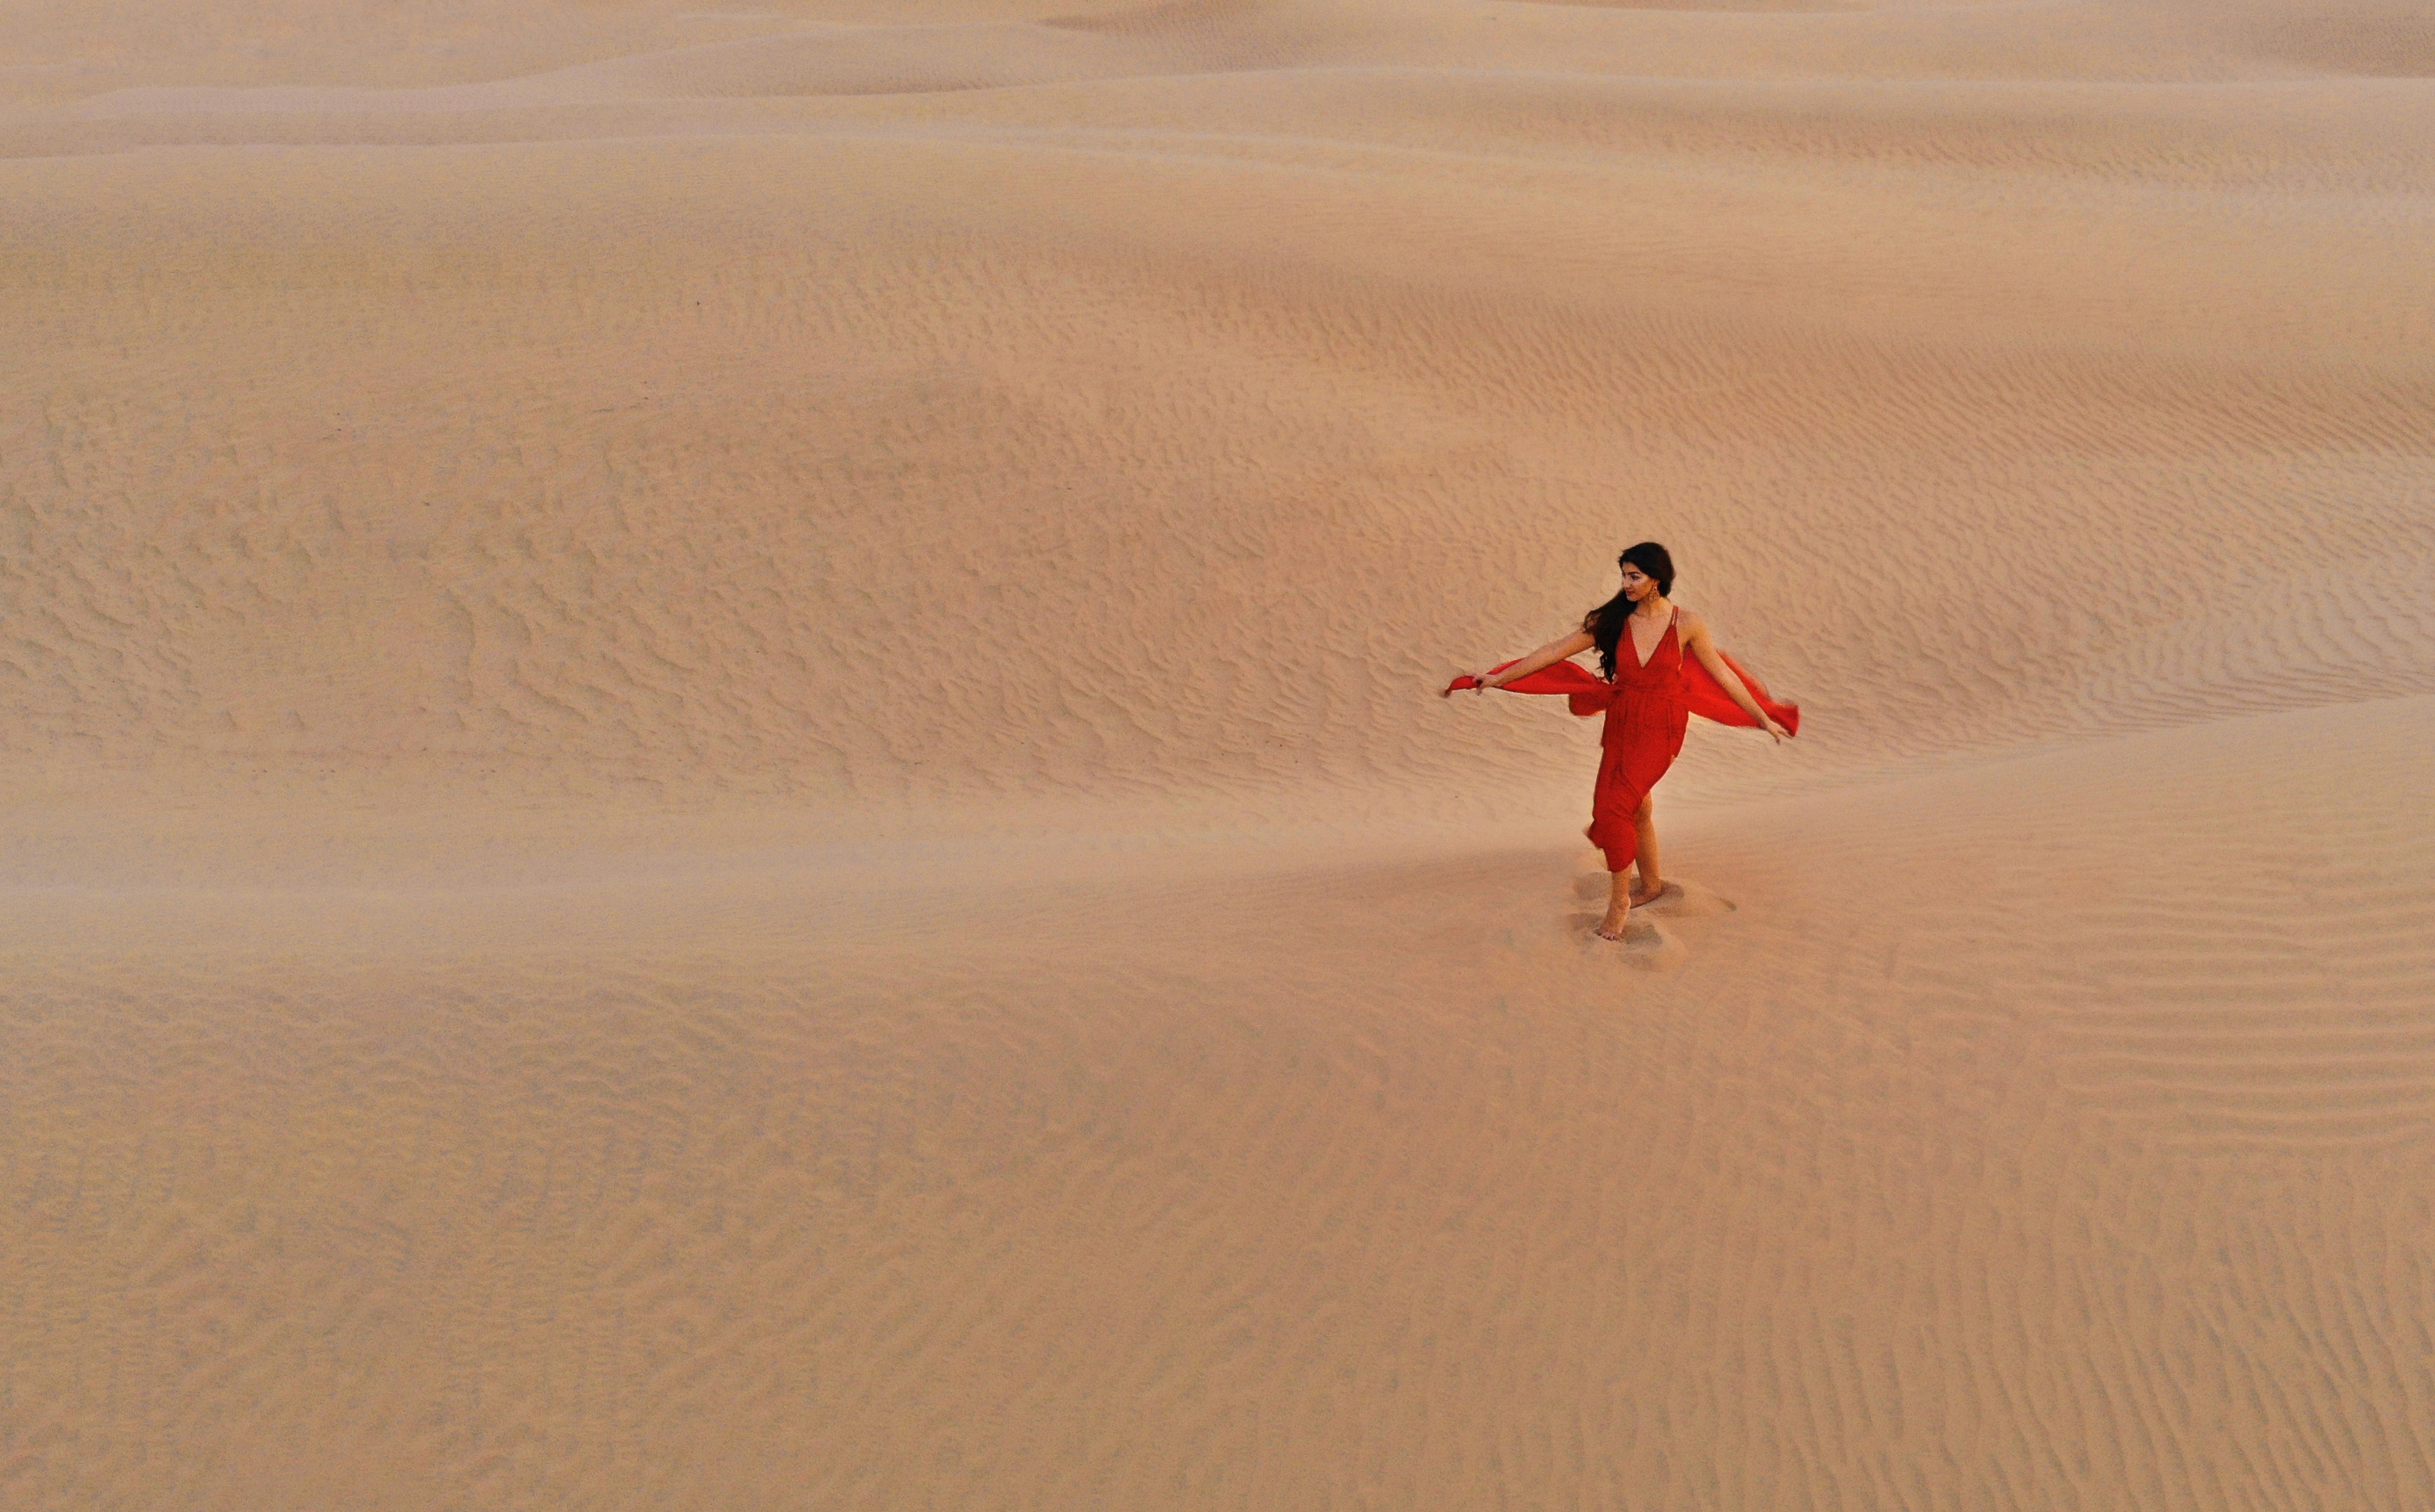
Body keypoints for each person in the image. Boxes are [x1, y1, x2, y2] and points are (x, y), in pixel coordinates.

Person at [1443, 542, 1795, 941]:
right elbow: (1555, 651)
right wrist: (1499, 678)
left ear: (1656, 580)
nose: (1626, 584)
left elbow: (1722, 675)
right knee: (1638, 805)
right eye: (1624, 576)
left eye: (1635, 577)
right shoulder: (1613, 620)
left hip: (1663, 726)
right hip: (1623, 721)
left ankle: (1619, 902)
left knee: (1614, 807)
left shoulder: (1687, 624)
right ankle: (1651, 885)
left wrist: (1762, 716)